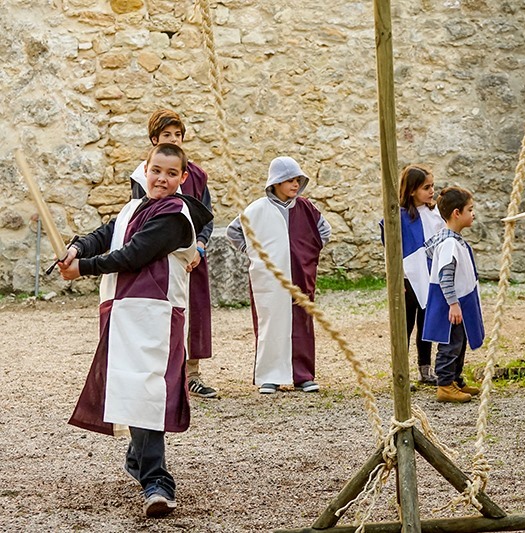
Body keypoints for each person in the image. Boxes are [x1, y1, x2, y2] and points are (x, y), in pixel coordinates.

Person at [59, 143, 213, 517]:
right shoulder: (133, 206)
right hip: (123, 309)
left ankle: (158, 482)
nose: (162, 178)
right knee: (130, 386)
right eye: (156, 170)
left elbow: (134, 254)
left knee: (148, 390)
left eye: (171, 173)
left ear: (183, 178)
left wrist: (84, 268)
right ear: (145, 169)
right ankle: (137, 460)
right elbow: (106, 233)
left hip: (155, 315)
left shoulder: (175, 214)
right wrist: (77, 248)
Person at [130, 109, 217, 399]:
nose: (174, 140)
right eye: (167, 135)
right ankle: (165, 375)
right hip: (162, 257)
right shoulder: (143, 176)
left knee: (194, 311)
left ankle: (193, 374)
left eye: (178, 135)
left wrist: (200, 247)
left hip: (193, 258)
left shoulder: (196, 175)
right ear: (155, 139)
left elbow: (207, 217)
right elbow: (138, 215)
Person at [227, 156, 331, 394]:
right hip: (269, 278)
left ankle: (302, 375)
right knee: (270, 322)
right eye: (289, 180)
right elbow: (235, 231)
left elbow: (324, 231)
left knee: (301, 321)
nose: (295, 185)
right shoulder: (256, 210)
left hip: (300, 273)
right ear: (275, 182)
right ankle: (270, 376)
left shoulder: (306, 208)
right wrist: (251, 252)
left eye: (297, 180)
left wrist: (308, 252)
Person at [379, 165, 445, 385]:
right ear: (411, 190)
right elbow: (391, 250)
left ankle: (425, 369)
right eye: (426, 187)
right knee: (404, 327)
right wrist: (396, 279)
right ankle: (401, 372)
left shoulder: (436, 214)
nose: (431, 191)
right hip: (407, 280)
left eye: (432, 186)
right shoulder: (398, 217)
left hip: (430, 278)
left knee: (426, 325)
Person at [421, 186, 484, 403]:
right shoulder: (448, 244)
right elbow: (446, 276)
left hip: (461, 302)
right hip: (453, 305)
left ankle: (456, 379)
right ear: (457, 213)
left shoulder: (454, 240)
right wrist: (453, 304)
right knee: (451, 344)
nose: (473, 214)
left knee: (460, 341)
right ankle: (445, 385)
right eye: (470, 209)